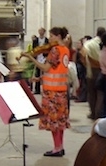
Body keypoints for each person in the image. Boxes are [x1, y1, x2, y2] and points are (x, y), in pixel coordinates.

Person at [22, 27, 71, 157]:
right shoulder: (65, 49)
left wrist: (31, 57)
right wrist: (40, 78)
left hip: (52, 91)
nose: (50, 39)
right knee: (60, 120)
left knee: (53, 121)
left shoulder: (55, 50)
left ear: (58, 36)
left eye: (52, 36)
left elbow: (45, 67)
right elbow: (57, 70)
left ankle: (56, 148)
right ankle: (60, 146)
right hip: (62, 90)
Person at [82, 27, 106, 119]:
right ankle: (98, 113)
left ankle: (92, 113)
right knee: (100, 93)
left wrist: (86, 64)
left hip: (90, 70)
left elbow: (83, 54)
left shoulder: (88, 43)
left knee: (91, 93)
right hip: (102, 70)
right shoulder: (104, 44)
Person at [32, 27, 48, 94]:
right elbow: (33, 49)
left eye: (42, 31)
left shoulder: (47, 40)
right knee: (37, 73)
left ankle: (45, 88)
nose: (41, 32)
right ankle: (37, 89)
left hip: (44, 57)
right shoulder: (36, 40)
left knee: (44, 73)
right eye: (40, 31)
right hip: (38, 57)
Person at [75, 36, 91, 102]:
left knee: (84, 84)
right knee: (82, 83)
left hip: (85, 68)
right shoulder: (80, 51)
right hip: (82, 69)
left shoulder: (85, 50)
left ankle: (83, 97)